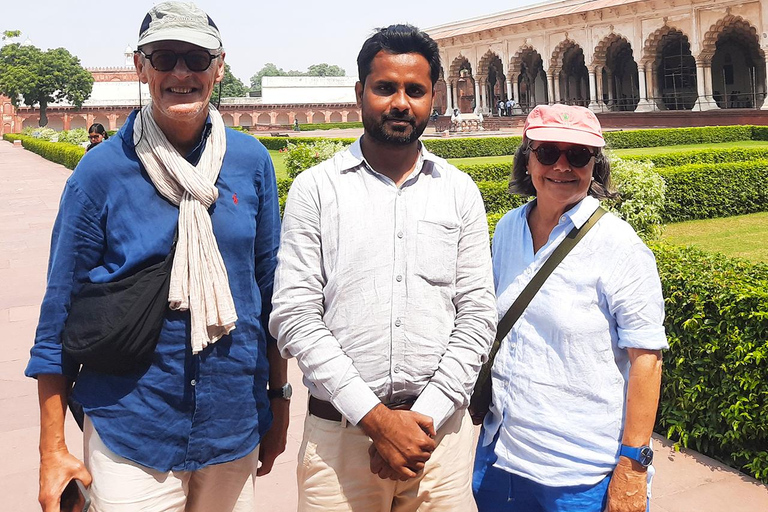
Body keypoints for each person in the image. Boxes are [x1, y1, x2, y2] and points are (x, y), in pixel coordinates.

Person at [26, 2, 288, 511]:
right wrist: (51, 447)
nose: (181, 73)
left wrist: (278, 400)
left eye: (196, 57)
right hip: (132, 421)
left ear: (219, 65)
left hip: (230, 421)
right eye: (165, 57)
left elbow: (268, 293)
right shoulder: (101, 173)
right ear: (141, 66)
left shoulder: (251, 162)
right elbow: (59, 311)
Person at [269, 24, 497, 512]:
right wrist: (376, 420)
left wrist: (420, 421)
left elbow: (478, 316)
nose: (400, 103)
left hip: (438, 440)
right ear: (360, 93)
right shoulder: (317, 190)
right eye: (385, 87)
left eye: (415, 90)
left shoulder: (459, 192)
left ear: (433, 97)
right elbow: (295, 316)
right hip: (341, 441)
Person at [472, 104, 667, 512]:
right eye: (547, 152)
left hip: (579, 472)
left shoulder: (619, 246)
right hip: (501, 455)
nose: (562, 165)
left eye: (578, 155)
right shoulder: (508, 228)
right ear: (527, 158)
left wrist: (633, 467)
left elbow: (646, 357)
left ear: (595, 166)